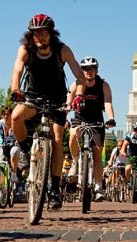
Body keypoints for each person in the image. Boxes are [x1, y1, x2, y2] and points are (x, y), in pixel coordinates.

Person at [10, 13, 87, 210]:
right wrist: (15, 90)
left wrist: (78, 96)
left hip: (57, 99)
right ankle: (26, 151)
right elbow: (17, 70)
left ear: (51, 33)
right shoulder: (25, 50)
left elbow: (79, 77)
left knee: (57, 140)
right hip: (32, 96)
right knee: (15, 117)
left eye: (43, 33)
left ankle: (54, 189)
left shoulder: (63, 50)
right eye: (35, 34)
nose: (39, 37)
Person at [67, 56, 116, 202]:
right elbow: (68, 102)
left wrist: (111, 118)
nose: (88, 71)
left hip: (96, 121)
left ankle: (98, 187)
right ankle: (75, 162)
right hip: (79, 119)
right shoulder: (76, 84)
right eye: (85, 69)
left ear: (96, 70)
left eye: (91, 68)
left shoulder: (103, 85)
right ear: (81, 71)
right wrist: (64, 113)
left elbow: (107, 103)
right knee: (73, 134)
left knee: (97, 152)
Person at [0, 106, 20, 183]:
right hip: (2, 146)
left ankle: (14, 174)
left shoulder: (15, 123)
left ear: (12, 115)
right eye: (4, 114)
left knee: (14, 152)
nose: (5, 116)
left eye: (7, 114)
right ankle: (1, 189)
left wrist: (17, 141)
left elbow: (19, 135)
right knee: (0, 167)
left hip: (13, 145)